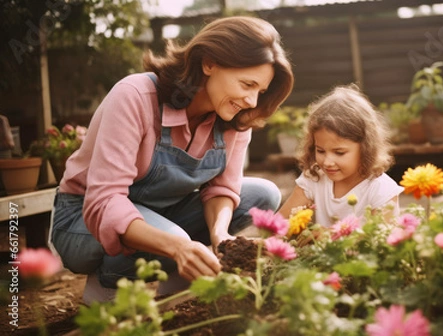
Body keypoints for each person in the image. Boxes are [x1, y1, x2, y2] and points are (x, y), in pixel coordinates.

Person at [49, 16, 294, 304]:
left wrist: (221, 236)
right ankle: (111, 281)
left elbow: (222, 190)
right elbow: (104, 199)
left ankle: (177, 274)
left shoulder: (236, 118)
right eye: (247, 84)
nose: (252, 101)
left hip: (161, 213)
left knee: (263, 194)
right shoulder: (136, 96)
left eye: (260, 92)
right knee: (175, 236)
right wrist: (178, 245)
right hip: (82, 218)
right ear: (209, 63)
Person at [278, 85, 403, 227]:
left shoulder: (381, 189)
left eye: (339, 153)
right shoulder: (314, 178)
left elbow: (380, 239)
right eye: (320, 151)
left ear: (366, 148)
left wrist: (332, 236)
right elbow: (278, 225)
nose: (327, 162)